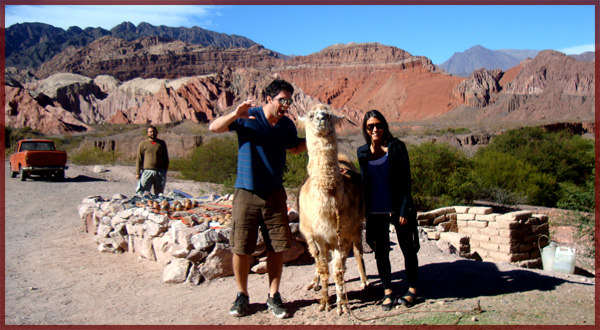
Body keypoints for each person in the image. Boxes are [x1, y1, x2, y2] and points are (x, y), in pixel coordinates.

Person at [208, 79, 307, 319]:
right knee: (241, 247)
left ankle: (274, 296)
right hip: (246, 192)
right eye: (282, 100)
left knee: (277, 247)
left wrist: (317, 138)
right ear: (269, 99)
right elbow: (214, 128)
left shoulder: (286, 126)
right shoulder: (248, 116)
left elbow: (293, 148)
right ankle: (242, 295)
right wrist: (234, 114)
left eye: (289, 101)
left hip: (274, 194)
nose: (286, 105)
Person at [356, 110, 420, 311]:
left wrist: (404, 209)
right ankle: (388, 292)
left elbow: (405, 180)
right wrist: (348, 174)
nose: (375, 129)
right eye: (370, 126)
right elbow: (366, 179)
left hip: (397, 208)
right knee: (381, 252)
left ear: (384, 126)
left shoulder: (396, 147)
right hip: (375, 210)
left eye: (378, 125)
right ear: (366, 130)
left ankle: (412, 290)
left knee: (407, 249)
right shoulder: (362, 152)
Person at [136, 126, 169, 195]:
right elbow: (139, 159)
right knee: (142, 192)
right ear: (147, 134)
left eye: (154, 131)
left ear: (157, 133)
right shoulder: (143, 143)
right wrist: (137, 172)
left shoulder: (161, 143)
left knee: (159, 193)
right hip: (147, 171)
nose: (152, 133)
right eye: (150, 132)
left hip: (159, 172)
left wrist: (164, 171)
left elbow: (165, 158)